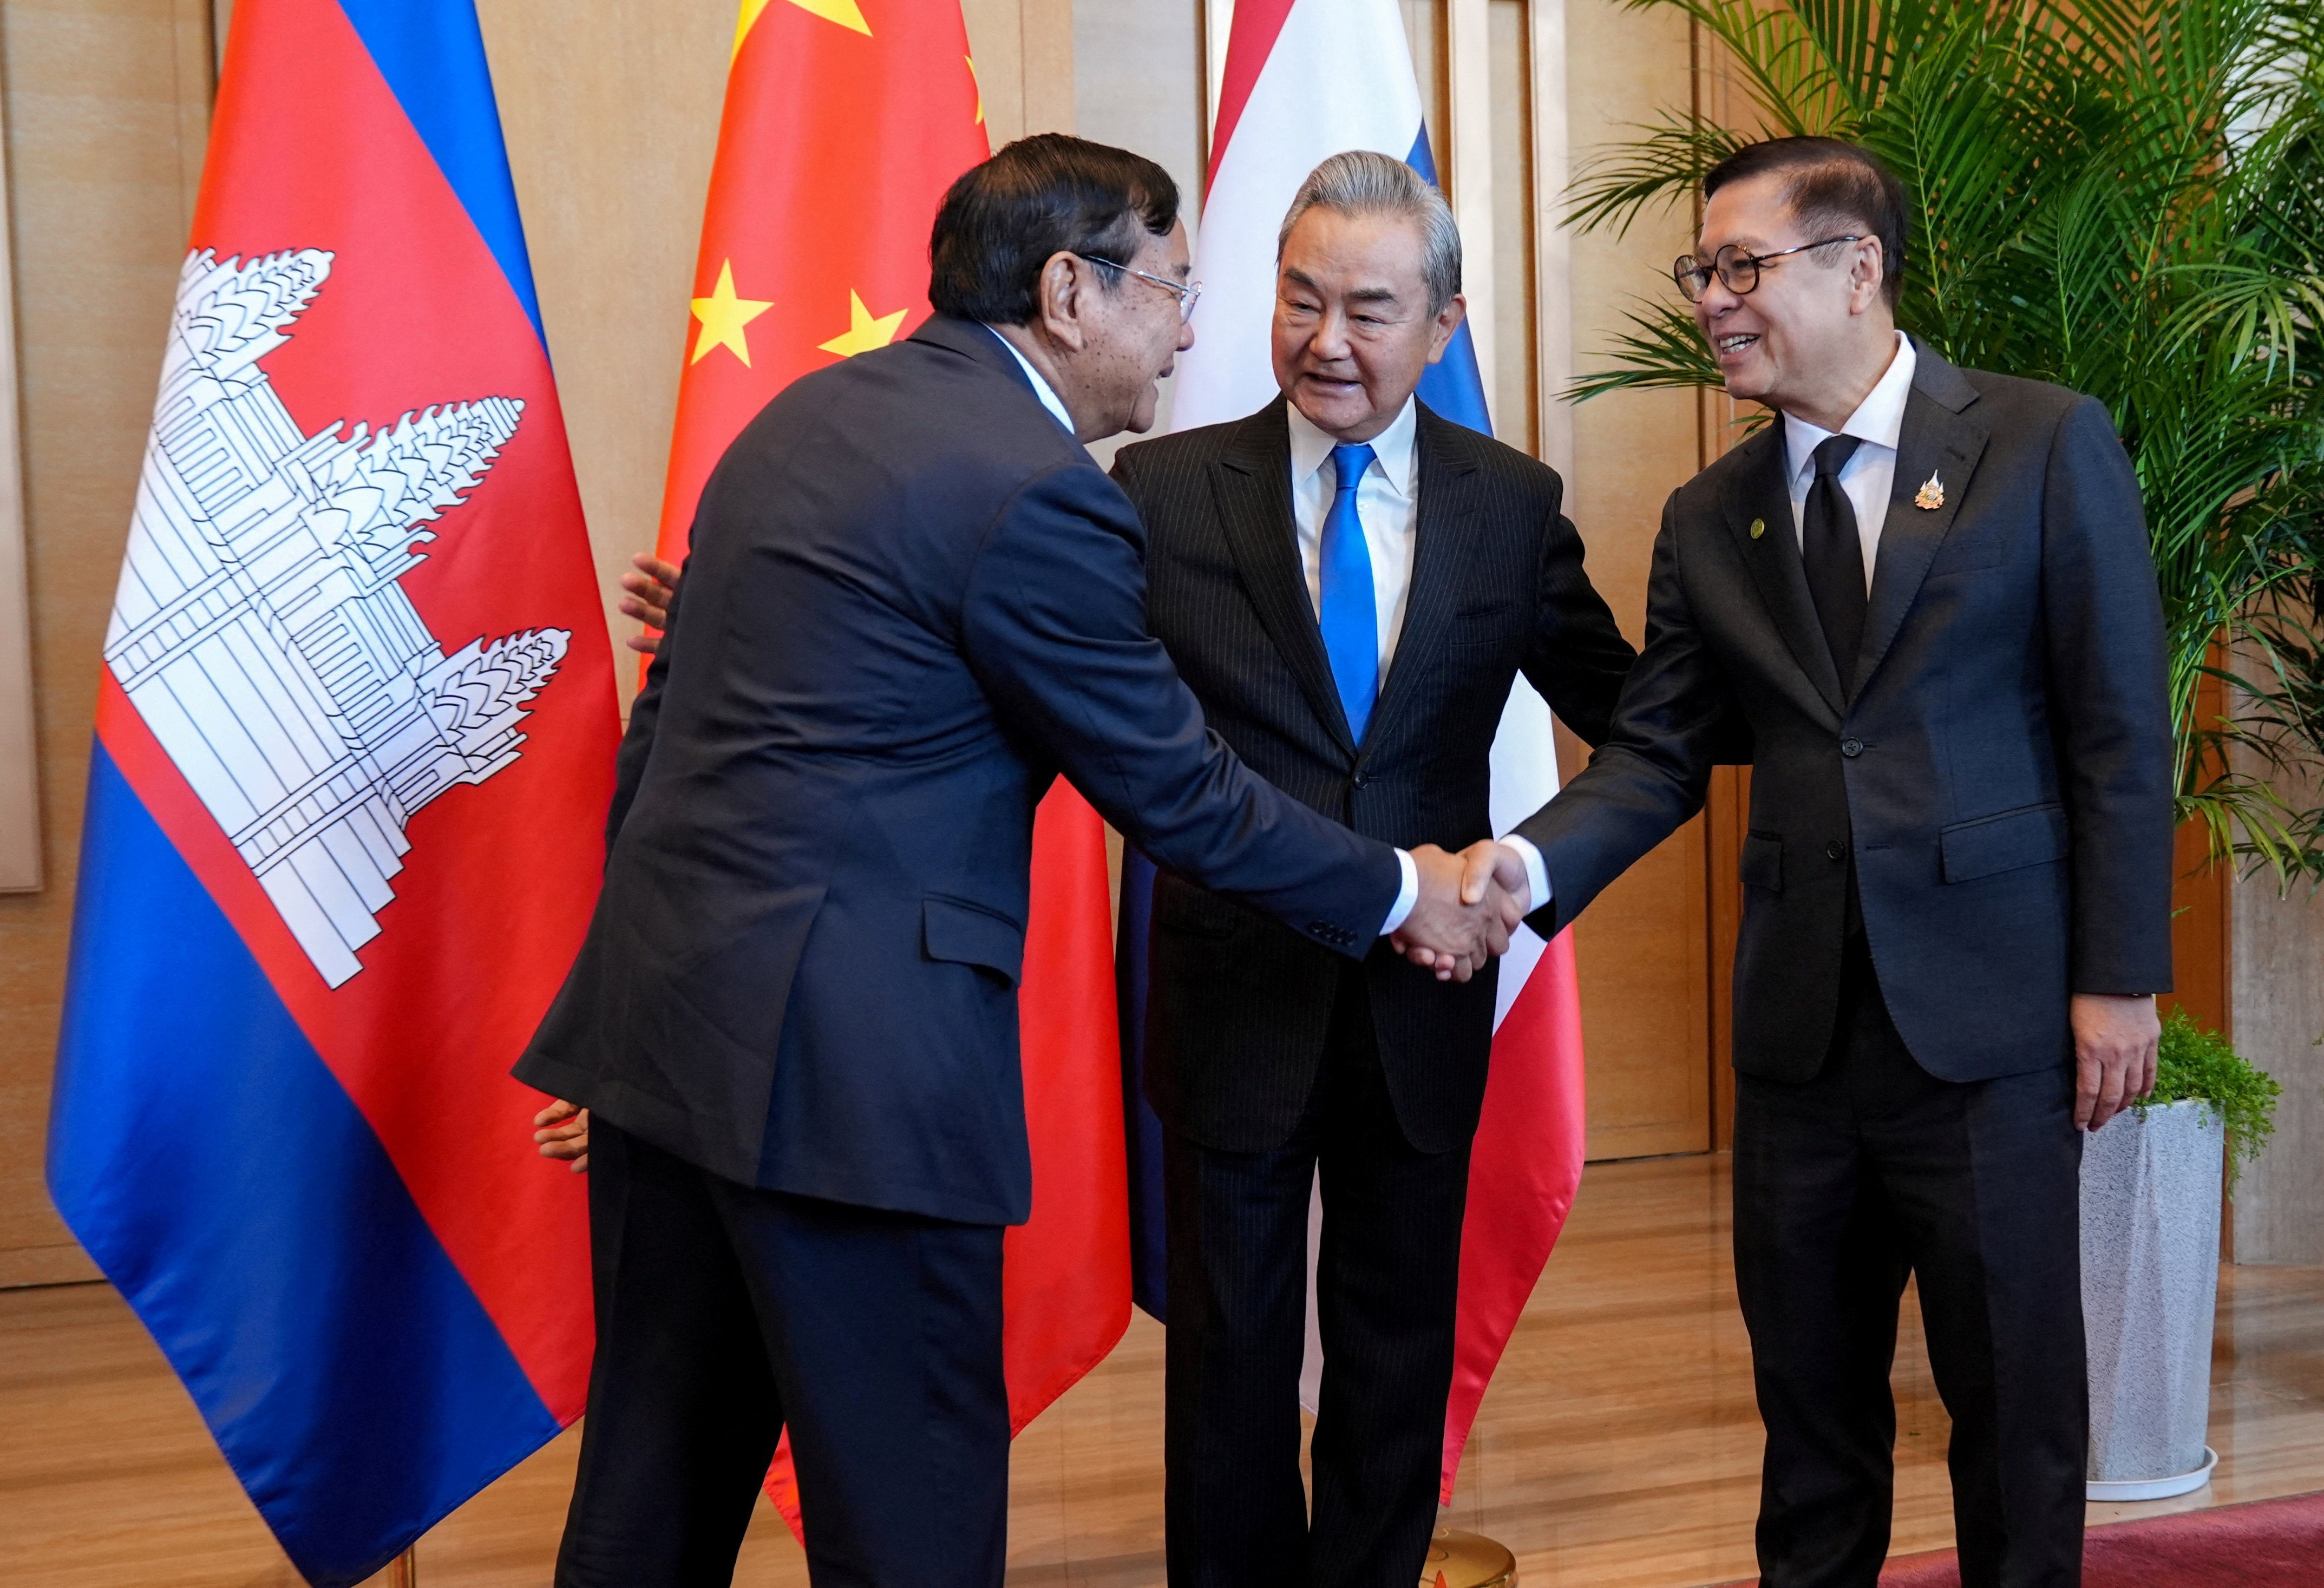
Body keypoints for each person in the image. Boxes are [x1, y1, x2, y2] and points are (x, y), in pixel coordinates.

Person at [591, 150, 1635, 1588]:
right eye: (1178, 291)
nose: (1193, 332)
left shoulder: (805, 419)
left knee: (654, 1489)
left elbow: (672, 728)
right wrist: (1408, 891)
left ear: (1439, 325)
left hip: (674, 1037)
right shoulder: (1054, 491)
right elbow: (1177, 789)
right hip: (854, 1074)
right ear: (1069, 291)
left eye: (1370, 308)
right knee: (909, 1513)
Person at [1481, 136, 2171, 1587]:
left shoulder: (2042, 443)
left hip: (1990, 1029)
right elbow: (1660, 751)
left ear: (1856, 268)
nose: (1712, 302)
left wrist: (2118, 980)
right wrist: (1520, 877)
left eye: (1742, 268)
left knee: (2013, 1406)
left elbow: (2118, 732)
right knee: (1807, 1414)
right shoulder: (1706, 515)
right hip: (1799, 1040)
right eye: (1700, 272)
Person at [1112, 151, 1634, 1587]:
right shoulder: (1160, 490)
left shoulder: (1508, 505)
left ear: (1444, 324)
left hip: (1426, 986)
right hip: (1234, 986)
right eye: (1298, 299)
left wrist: (1524, 873)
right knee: (1226, 1350)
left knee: (1395, 1335)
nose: (1325, 342)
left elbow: (1636, 713)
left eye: (1368, 308)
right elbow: (1037, 659)